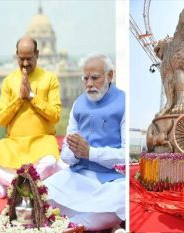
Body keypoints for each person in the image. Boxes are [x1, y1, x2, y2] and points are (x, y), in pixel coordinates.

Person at [44, 53, 126, 231]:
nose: (89, 84)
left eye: (95, 78)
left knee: (122, 198)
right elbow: (65, 154)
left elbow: (125, 155)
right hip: (77, 176)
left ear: (110, 75)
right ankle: (86, 224)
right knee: (41, 191)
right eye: (86, 78)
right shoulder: (78, 104)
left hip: (109, 181)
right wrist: (75, 152)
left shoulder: (123, 102)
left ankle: (70, 224)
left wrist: (91, 153)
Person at [0, 36, 62, 197]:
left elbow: (55, 115)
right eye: (21, 59)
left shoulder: (49, 78)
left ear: (37, 54)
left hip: (42, 142)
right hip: (14, 144)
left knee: (50, 162)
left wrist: (32, 97)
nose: (25, 63)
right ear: (16, 56)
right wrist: (19, 98)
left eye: (29, 58)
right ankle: (26, 184)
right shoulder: (9, 81)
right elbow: (1, 119)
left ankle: (12, 184)